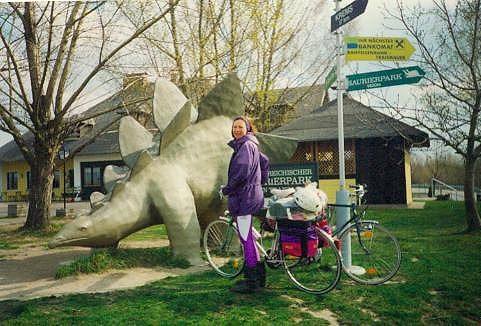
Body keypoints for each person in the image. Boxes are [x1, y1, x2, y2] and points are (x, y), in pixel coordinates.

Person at [221, 116, 269, 293]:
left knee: (245, 238)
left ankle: (251, 282)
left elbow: (241, 171)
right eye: (234, 127)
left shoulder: (245, 146)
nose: (237, 130)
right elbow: (265, 162)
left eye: (240, 127)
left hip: (245, 199)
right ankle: (259, 276)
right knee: (248, 235)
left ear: (247, 129)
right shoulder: (251, 145)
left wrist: (227, 188)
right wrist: (259, 182)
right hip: (252, 195)